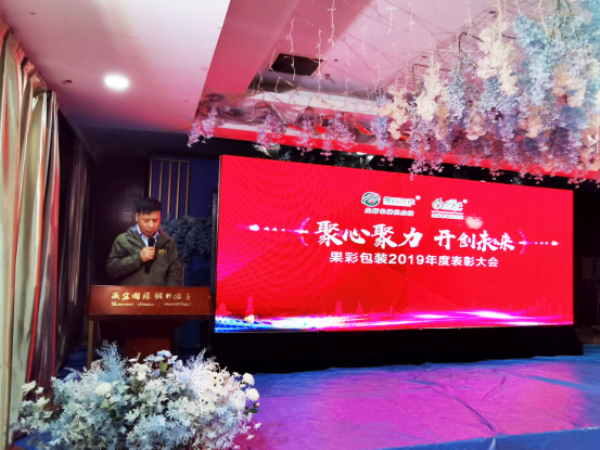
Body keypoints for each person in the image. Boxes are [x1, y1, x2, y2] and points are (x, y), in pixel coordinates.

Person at [107, 197, 182, 286]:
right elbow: (112, 269)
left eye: (155, 220)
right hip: (133, 294)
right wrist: (139, 258)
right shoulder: (123, 240)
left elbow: (175, 271)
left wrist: (170, 292)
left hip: (159, 294)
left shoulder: (167, 241)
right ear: (137, 217)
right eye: (146, 220)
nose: (151, 225)